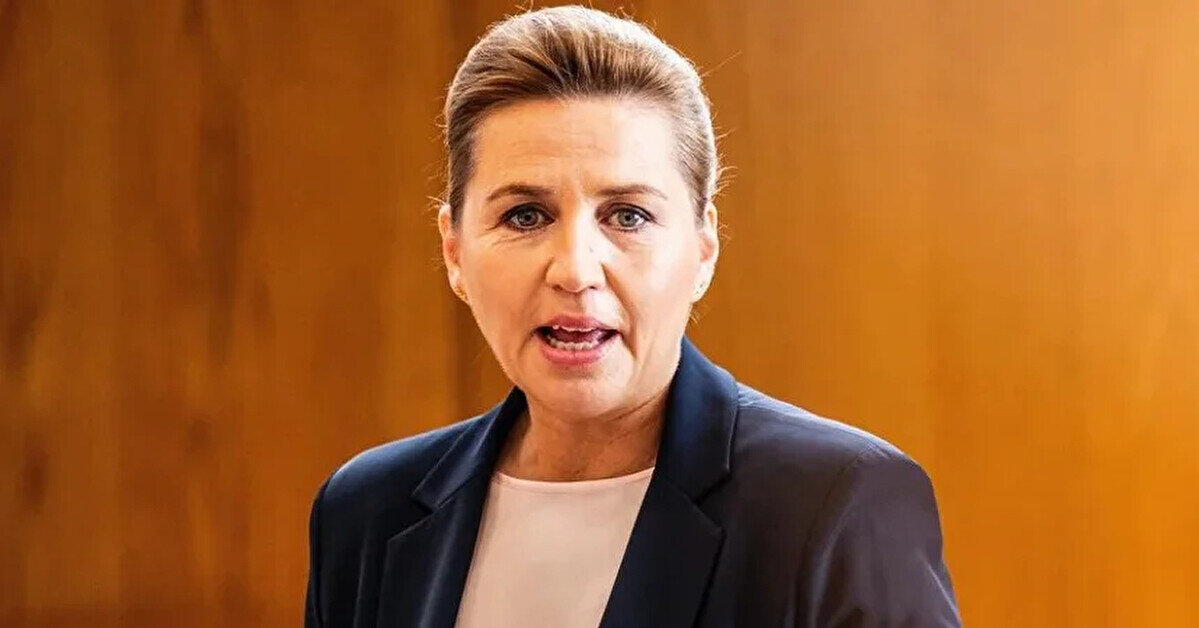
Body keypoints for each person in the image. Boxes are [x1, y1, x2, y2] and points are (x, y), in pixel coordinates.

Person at [304, 6, 959, 627]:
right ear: (454, 251)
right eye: (525, 216)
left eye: (628, 216)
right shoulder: (365, 511)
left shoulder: (836, 503)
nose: (575, 269)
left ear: (703, 248)